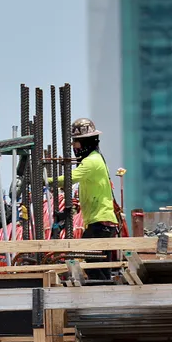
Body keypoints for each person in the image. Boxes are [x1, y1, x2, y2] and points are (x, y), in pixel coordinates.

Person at [49, 118, 119, 280]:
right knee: (101, 267)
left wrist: (44, 179)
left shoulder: (91, 161)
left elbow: (69, 178)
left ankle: (101, 293)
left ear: (86, 142)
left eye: (76, 142)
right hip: (102, 223)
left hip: (100, 224)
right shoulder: (95, 158)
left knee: (91, 263)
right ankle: (106, 293)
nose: (74, 147)